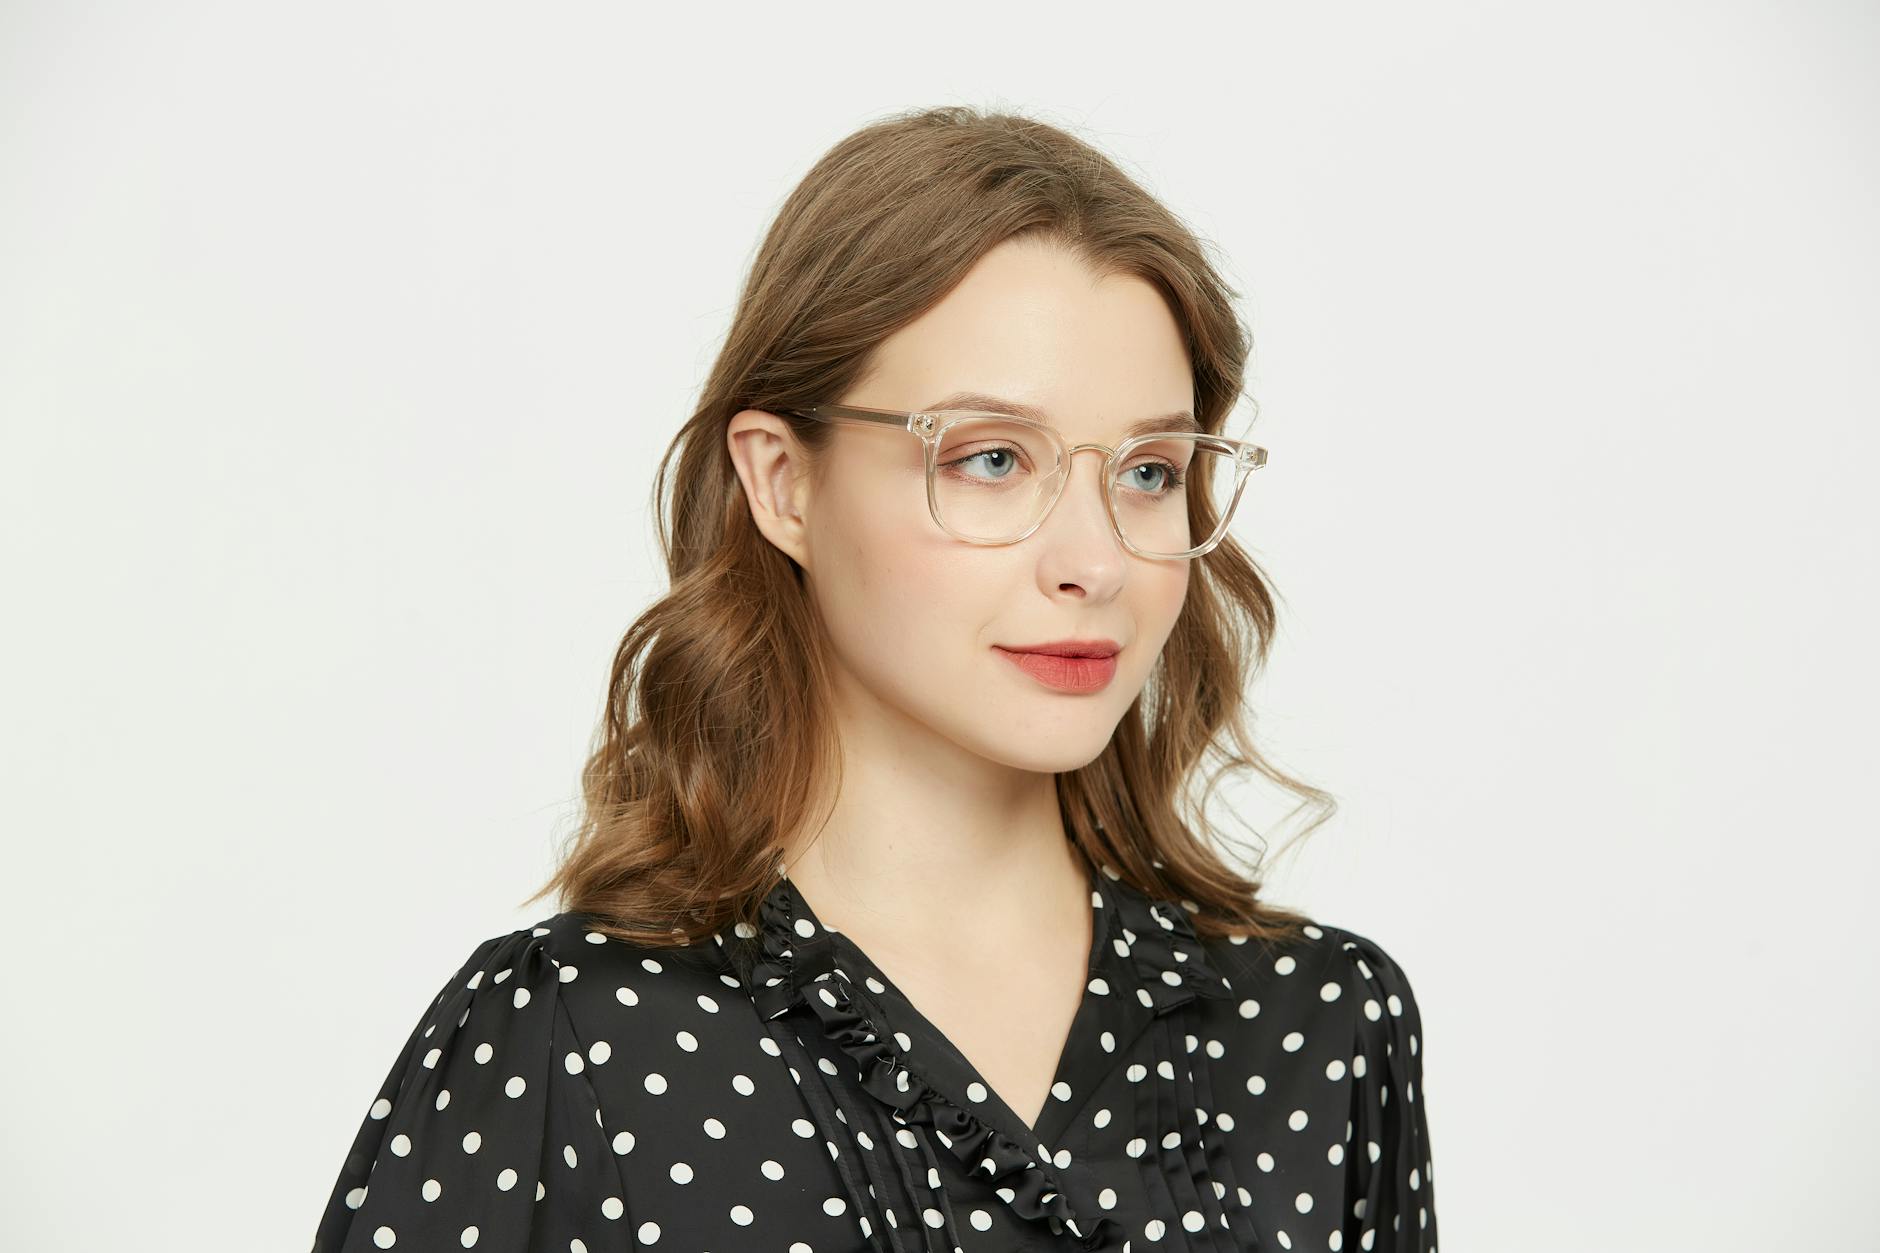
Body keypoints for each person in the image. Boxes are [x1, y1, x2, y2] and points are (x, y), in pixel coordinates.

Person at [310, 104, 1438, 1253]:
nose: (1096, 561)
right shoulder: (574, 1037)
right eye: (991, 458)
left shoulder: (1318, 1026)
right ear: (782, 481)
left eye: (1148, 470)